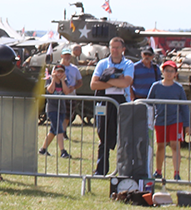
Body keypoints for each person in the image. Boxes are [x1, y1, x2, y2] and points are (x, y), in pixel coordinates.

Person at [90, 37, 134, 175]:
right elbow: (93, 85)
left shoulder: (128, 64)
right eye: (112, 47)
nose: (114, 50)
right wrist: (116, 80)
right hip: (104, 103)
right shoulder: (102, 64)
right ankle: (101, 170)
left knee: (124, 137)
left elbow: (126, 83)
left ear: (123, 49)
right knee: (103, 137)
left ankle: (124, 170)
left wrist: (106, 80)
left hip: (122, 103)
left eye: (117, 47)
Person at [145, 60, 190, 180]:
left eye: (172, 71)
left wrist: (187, 125)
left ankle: (176, 173)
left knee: (175, 145)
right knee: (160, 146)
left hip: (175, 121)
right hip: (160, 120)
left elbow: (184, 107)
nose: (169, 73)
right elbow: (149, 104)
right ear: (162, 72)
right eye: (167, 70)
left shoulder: (179, 88)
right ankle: (158, 171)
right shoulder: (156, 86)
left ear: (175, 73)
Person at [39, 49, 80, 159]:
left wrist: (62, 80)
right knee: (59, 129)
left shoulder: (64, 81)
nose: (60, 74)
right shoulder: (50, 80)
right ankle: (63, 151)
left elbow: (66, 92)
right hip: (52, 109)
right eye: (58, 71)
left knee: (53, 130)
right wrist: (53, 79)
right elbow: (50, 90)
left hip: (61, 108)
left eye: (62, 72)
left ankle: (43, 149)